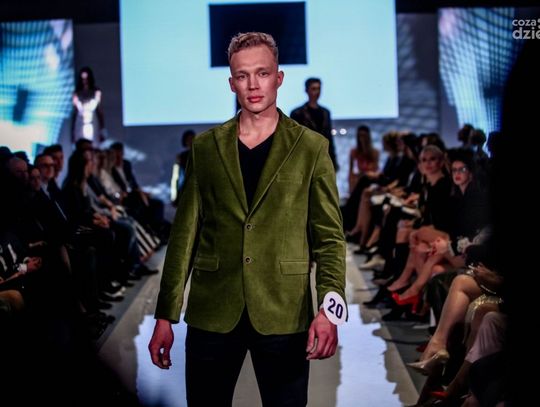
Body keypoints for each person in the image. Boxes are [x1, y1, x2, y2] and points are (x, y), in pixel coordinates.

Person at [148, 32, 347, 407]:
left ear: (279, 78)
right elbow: (184, 235)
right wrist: (165, 316)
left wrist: (329, 310)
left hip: (284, 309)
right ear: (231, 82)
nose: (253, 85)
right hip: (213, 309)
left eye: (262, 73)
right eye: (242, 75)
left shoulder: (310, 148)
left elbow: (329, 238)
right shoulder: (206, 148)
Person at [290, 77, 338, 170]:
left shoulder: (325, 112)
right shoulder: (297, 113)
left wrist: (333, 160)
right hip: (305, 157)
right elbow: (294, 139)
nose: (317, 92)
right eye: (313, 89)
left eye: (319, 89)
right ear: (306, 90)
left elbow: (329, 137)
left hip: (323, 156)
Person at [71, 67, 106, 147]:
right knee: (81, 144)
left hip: (93, 121)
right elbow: (75, 112)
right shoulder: (76, 93)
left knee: (93, 144)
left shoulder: (96, 92)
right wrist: (72, 131)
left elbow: (100, 110)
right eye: (83, 79)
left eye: (86, 78)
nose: (85, 81)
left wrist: (102, 129)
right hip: (80, 122)